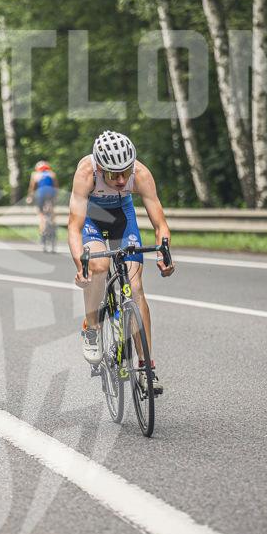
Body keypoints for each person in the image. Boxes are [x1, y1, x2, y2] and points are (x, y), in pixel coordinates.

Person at [67, 130, 175, 395]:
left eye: (125, 172)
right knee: (99, 267)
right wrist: (81, 266)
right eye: (113, 174)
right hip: (93, 220)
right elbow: (74, 227)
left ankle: (146, 368)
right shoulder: (86, 173)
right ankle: (92, 327)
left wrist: (164, 253)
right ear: (100, 168)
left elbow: (160, 224)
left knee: (136, 288)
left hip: (123, 219)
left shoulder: (141, 173)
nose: (121, 180)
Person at [26, 160, 58, 237]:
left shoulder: (35, 174)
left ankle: (42, 231)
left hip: (41, 194)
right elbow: (56, 187)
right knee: (51, 210)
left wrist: (30, 197)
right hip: (51, 193)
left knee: (40, 213)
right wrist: (56, 197)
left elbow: (32, 187)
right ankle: (53, 228)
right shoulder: (52, 174)